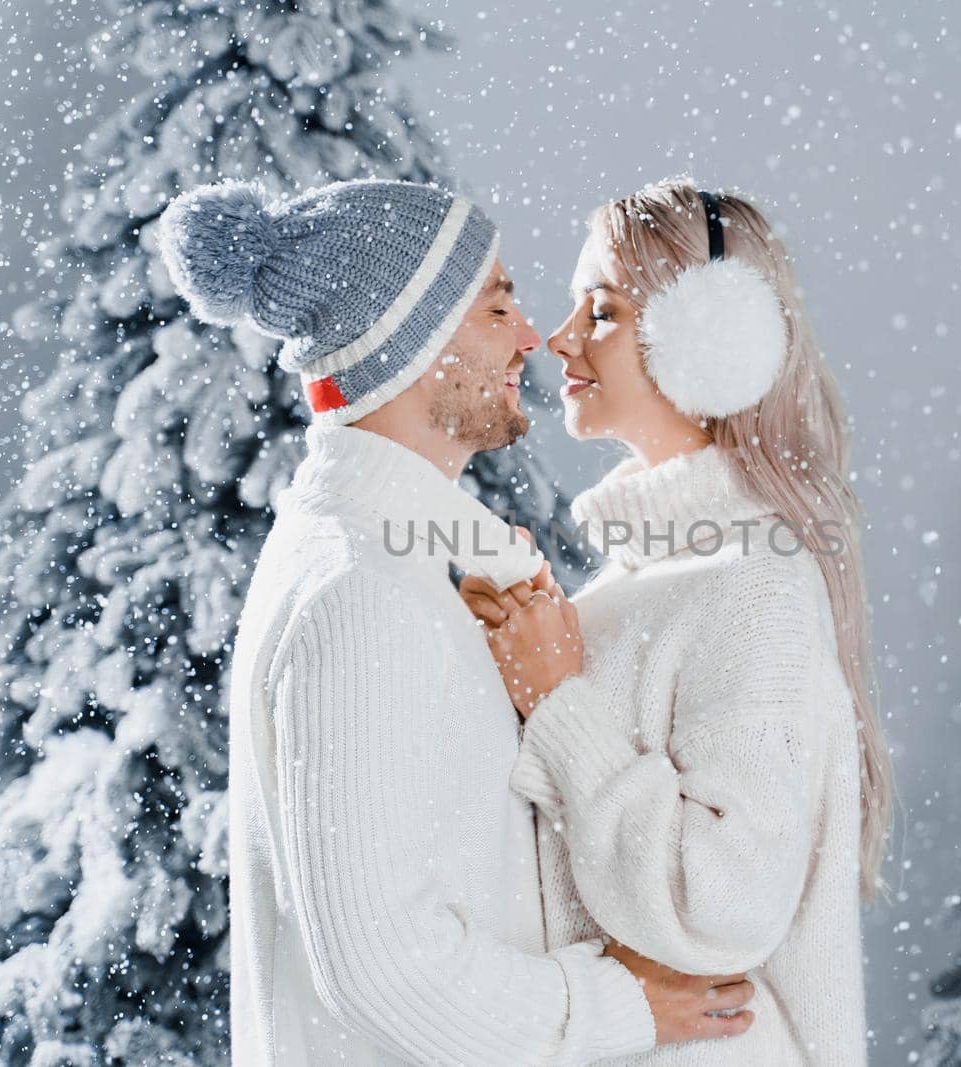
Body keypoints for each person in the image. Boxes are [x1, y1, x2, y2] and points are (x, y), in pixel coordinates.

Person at [158, 177, 757, 1065]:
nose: (530, 339)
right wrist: (618, 1002)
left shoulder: (402, 564)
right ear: (409, 344)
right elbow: (379, 967)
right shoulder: (360, 593)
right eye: (497, 308)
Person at [461, 178, 894, 1065]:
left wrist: (557, 703)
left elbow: (722, 904)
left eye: (604, 310)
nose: (559, 337)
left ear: (711, 342)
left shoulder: (756, 585)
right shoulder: (651, 579)